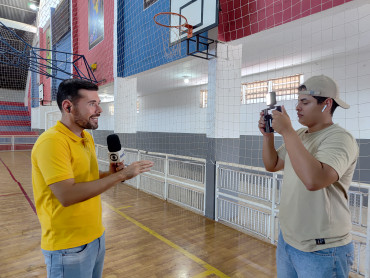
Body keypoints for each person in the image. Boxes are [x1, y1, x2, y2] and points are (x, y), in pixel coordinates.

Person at [31, 79, 154, 278]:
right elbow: (67, 195)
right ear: (68, 106)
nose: (100, 110)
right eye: (92, 104)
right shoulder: (52, 142)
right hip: (68, 247)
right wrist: (122, 175)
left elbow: (85, 178)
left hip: (96, 237)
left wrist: (111, 174)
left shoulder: (85, 137)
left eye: (98, 102)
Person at [258, 75, 358, 277]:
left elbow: (314, 180)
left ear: (326, 104)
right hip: (289, 240)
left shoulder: (340, 139)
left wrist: (287, 131)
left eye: (305, 102)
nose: (297, 107)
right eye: (298, 102)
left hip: (322, 249)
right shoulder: (301, 135)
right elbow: (273, 164)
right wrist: (268, 136)